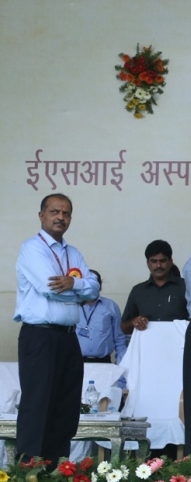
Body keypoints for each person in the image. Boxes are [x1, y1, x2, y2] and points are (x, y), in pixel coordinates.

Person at [14, 193, 100, 465]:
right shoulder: (32, 248)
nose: (60, 217)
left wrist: (74, 284)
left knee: (66, 407)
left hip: (68, 337)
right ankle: (28, 471)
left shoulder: (74, 253)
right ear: (41, 215)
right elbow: (49, 288)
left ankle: (56, 470)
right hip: (39, 336)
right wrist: (80, 290)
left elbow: (94, 289)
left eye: (66, 213)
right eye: (54, 211)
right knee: (38, 406)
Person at [120, 240, 189, 334]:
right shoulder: (138, 291)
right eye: (154, 261)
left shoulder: (186, 287)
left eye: (163, 261)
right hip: (147, 343)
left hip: (179, 342)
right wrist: (134, 322)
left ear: (170, 262)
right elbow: (124, 327)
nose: (158, 265)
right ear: (147, 263)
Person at [76, 270, 127, 365]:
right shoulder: (73, 306)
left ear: (99, 285)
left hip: (103, 362)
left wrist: (121, 365)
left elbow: (120, 339)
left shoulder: (111, 306)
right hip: (77, 362)